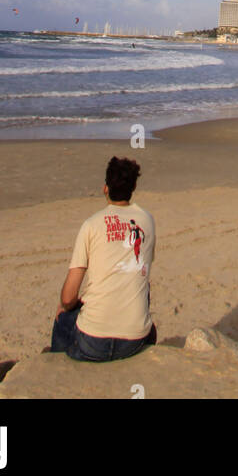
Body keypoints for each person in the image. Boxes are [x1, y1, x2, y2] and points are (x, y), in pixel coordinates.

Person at [50, 156, 156, 363]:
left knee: (63, 317)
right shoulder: (147, 220)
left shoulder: (91, 225)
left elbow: (68, 297)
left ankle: (56, 366)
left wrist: (65, 306)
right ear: (133, 188)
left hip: (93, 342)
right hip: (135, 340)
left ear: (105, 188)